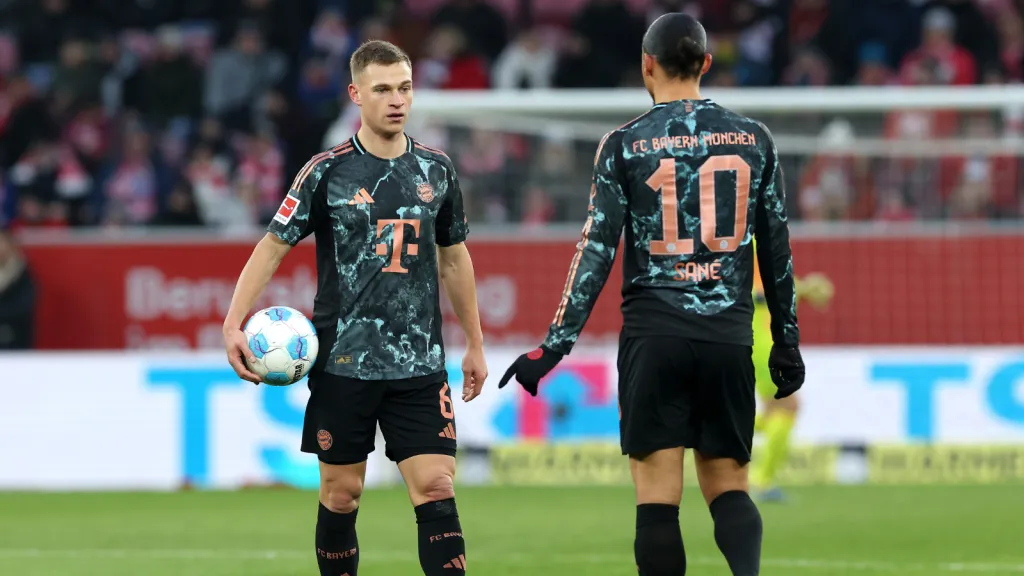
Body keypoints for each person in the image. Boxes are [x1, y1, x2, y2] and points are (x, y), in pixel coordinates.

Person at [498, 13, 804, 576]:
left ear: (646, 65)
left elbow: (595, 251)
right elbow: (777, 249)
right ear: (706, 64)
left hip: (654, 337)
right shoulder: (754, 140)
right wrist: (786, 341)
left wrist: (554, 346)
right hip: (728, 336)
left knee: (658, 499)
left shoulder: (624, 145)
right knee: (729, 486)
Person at [222, 40, 487, 576]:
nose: (397, 100)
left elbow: (455, 259)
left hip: (419, 363)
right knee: (342, 495)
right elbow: (272, 246)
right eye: (383, 89)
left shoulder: (437, 170)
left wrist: (475, 344)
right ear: (356, 94)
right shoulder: (326, 172)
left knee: (436, 486)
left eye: (405, 88)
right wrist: (233, 323)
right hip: (344, 363)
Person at [750, 250, 833, 502]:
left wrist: (803, 289)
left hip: (760, 336)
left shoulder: (756, 240)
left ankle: (714, 427)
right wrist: (803, 287)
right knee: (786, 407)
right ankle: (762, 482)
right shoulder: (751, 240)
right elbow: (759, 292)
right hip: (762, 338)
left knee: (776, 410)